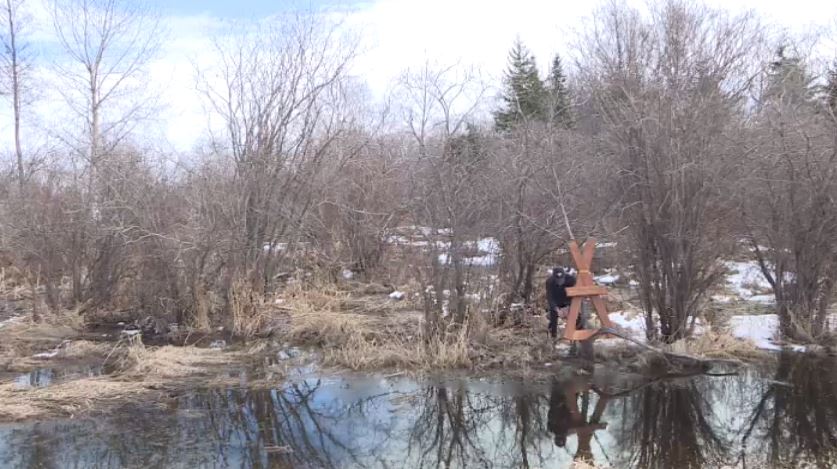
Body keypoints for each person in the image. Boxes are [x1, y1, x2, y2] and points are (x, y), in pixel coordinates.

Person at [545, 266, 576, 339]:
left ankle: (574, 336)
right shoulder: (549, 282)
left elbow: (576, 296)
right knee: (553, 317)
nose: (560, 282)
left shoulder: (571, 280)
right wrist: (556, 309)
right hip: (557, 301)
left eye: (561, 280)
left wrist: (569, 306)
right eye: (558, 280)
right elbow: (550, 297)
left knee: (575, 316)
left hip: (568, 301)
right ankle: (553, 337)